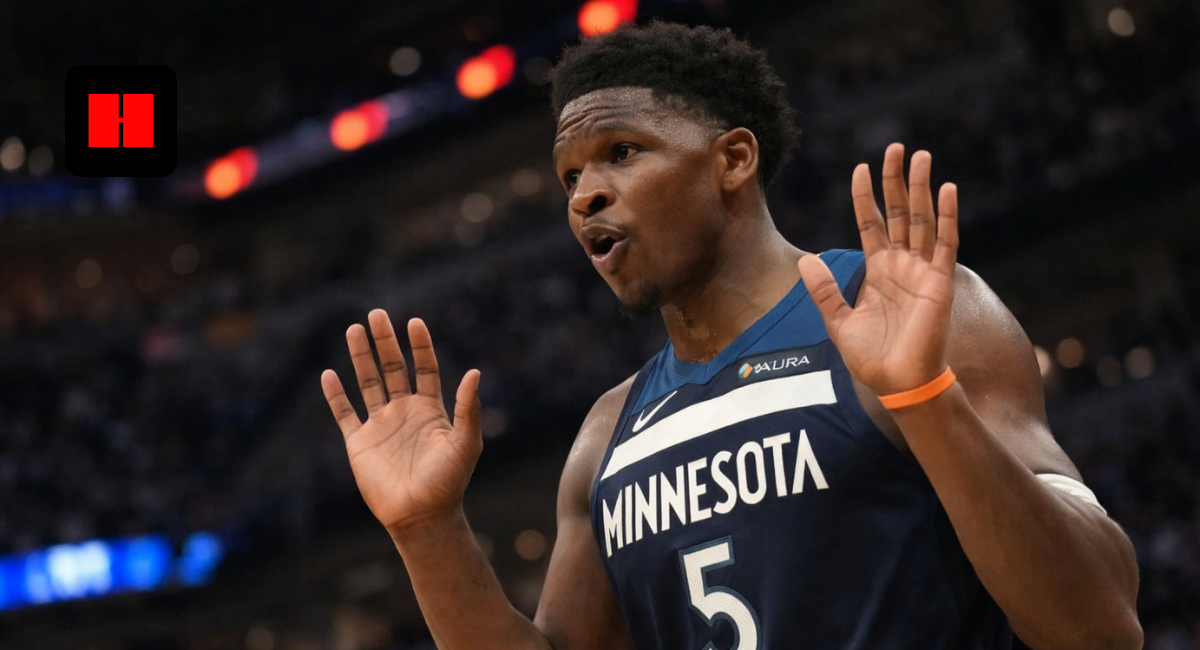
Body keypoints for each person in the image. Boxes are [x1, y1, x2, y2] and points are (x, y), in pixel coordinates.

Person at [320, 21, 1142, 650]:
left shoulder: (921, 316)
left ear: (734, 160)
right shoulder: (608, 436)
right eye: (570, 176)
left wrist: (924, 396)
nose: (583, 196)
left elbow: (1098, 627)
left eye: (621, 152)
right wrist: (427, 532)